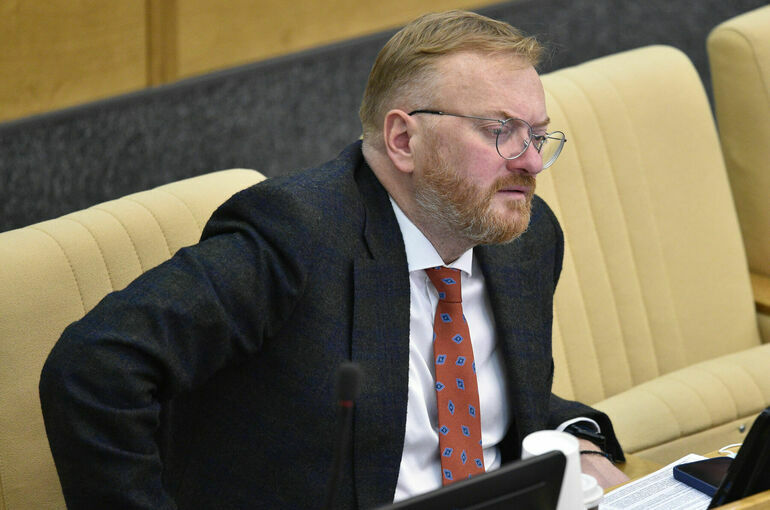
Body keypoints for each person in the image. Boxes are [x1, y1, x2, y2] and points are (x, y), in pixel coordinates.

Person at [39, 10, 628, 509]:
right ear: (404, 140)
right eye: (501, 131)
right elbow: (93, 369)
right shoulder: (296, 236)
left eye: (537, 134)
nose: (530, 161)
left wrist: (579, 441)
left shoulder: (524, 239)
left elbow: (487, 400)